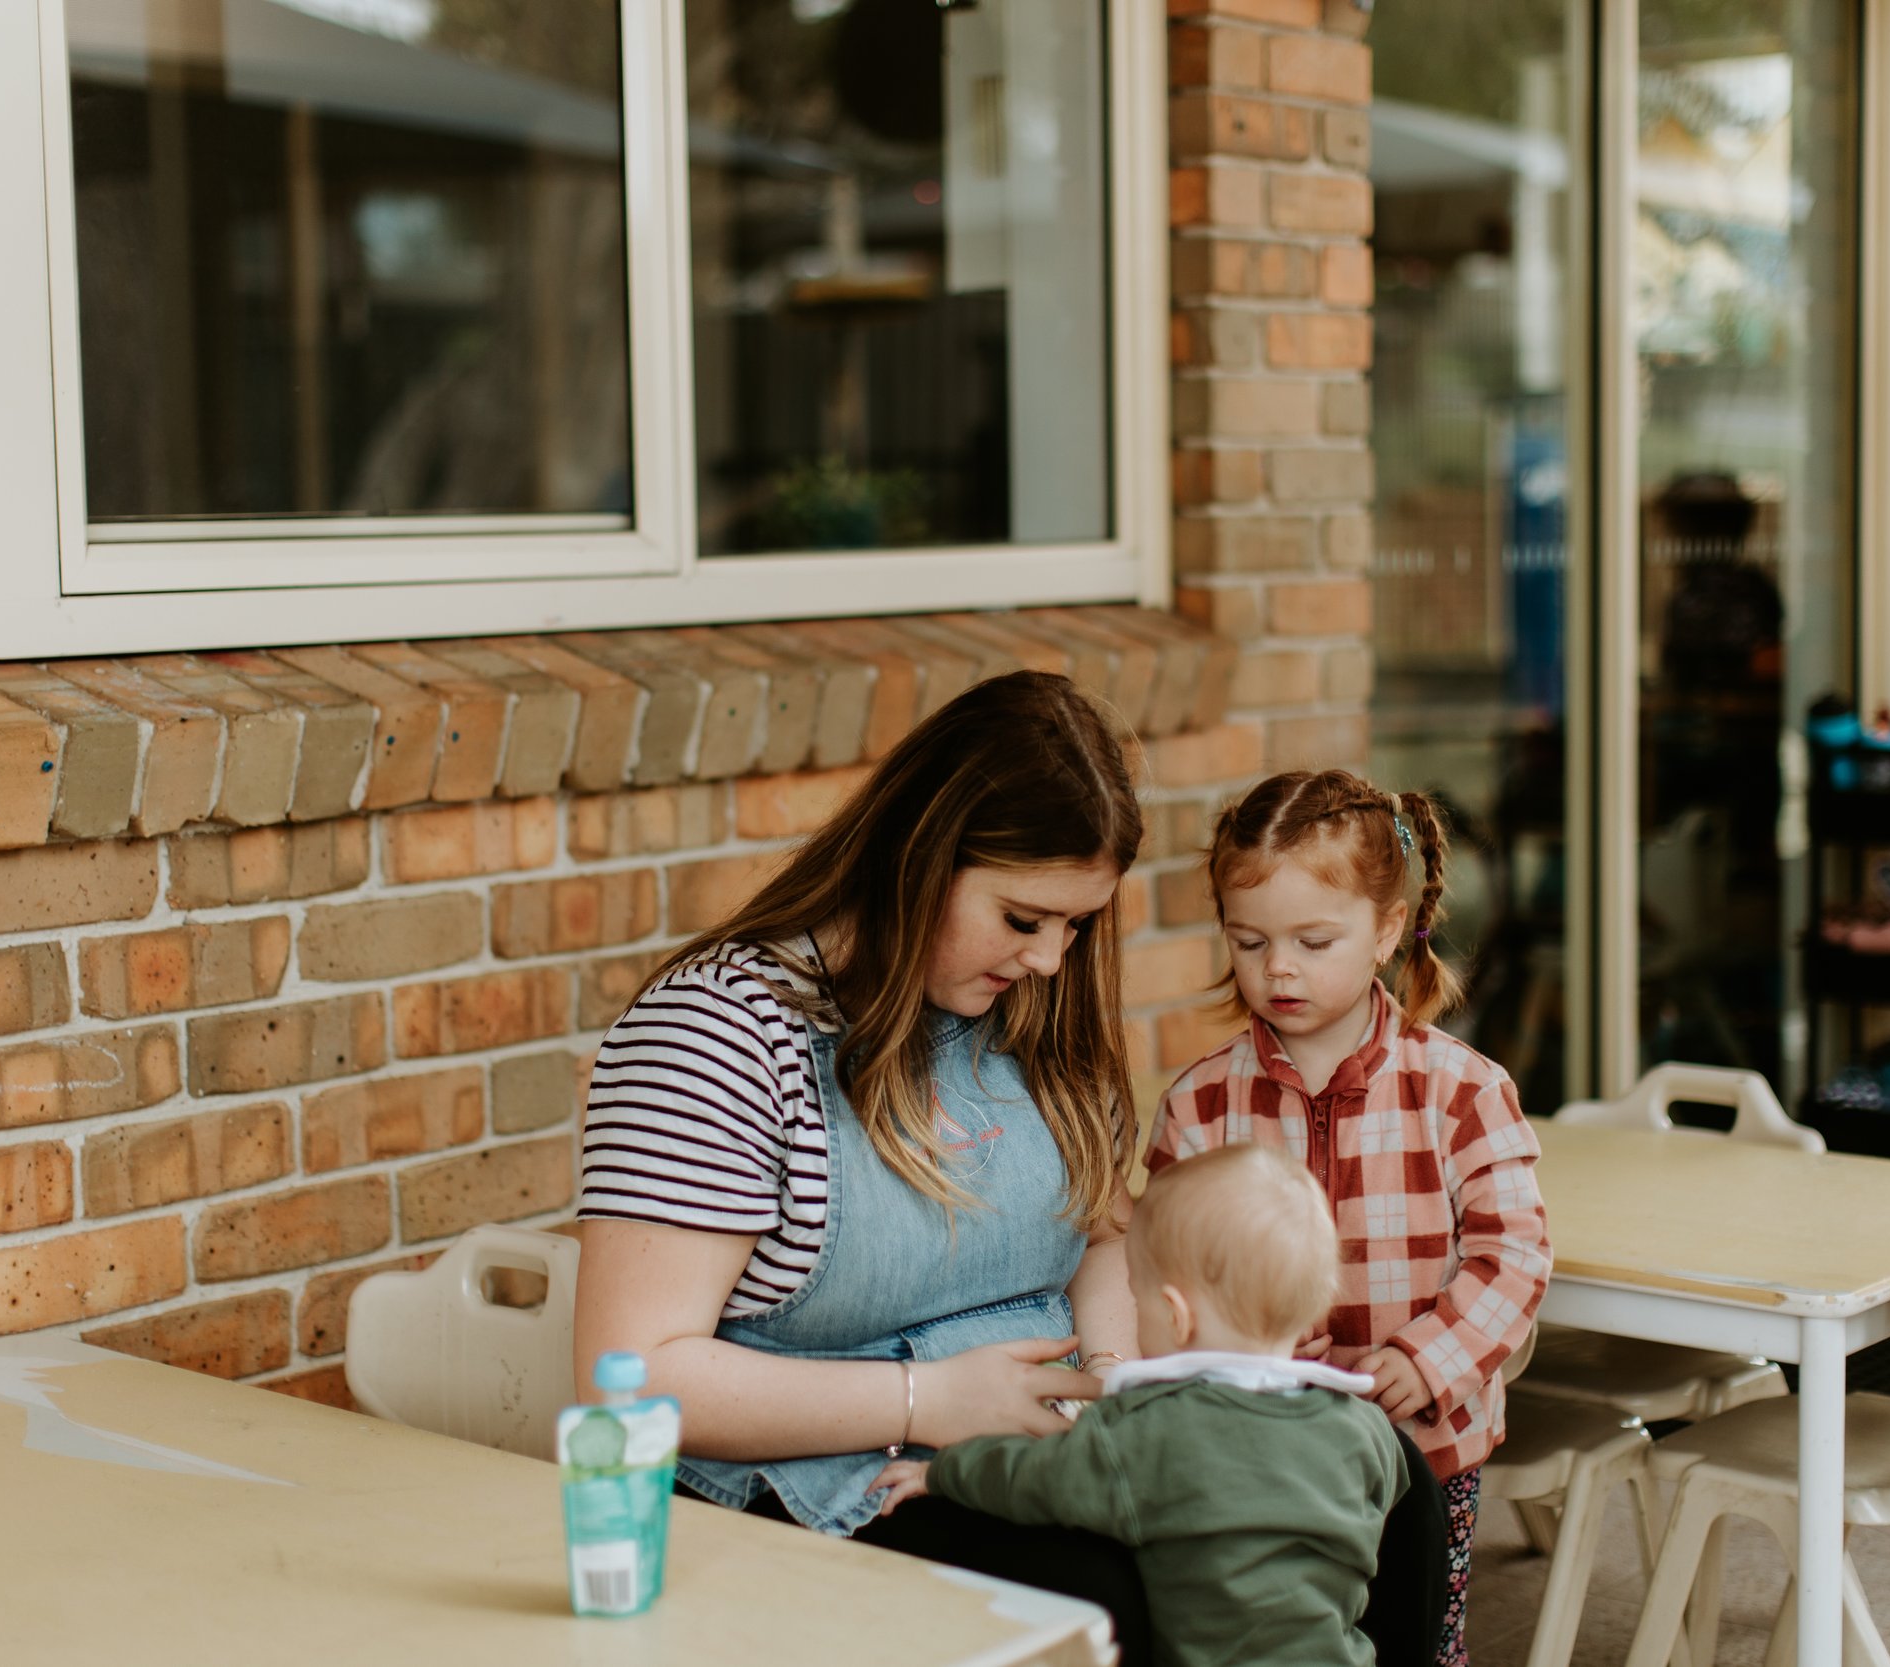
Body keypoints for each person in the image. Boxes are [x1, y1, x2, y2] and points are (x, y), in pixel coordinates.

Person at [570, 673, 1448, 1659]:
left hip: (1066, 1440)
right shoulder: (715, 1037)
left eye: (1074, 925)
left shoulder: (1017, 1012)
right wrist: (927, 1401)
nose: (1048, 957)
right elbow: (631, 1379)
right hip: (831, 1476)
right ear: (918, 856)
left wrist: (1124, 1385)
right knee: (1108, 1591)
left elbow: (1100, 1235)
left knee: (1396, 1496)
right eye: (1024, 918)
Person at [1149, 770, 1550, 1667]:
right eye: (1248, 940)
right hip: (1260, 1449)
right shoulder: (1200, 1103)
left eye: (1312, 940)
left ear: (1386, 929)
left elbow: (1514, 1254)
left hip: (1425, 1445)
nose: (1277, 967)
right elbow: (1162, 1269)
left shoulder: (1460, 1089)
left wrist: (1426, 1357)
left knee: (1413, 1638)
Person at [872, 1143, 1411, 1667]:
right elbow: (1387, 1498)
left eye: (1136, 1292)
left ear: (1175, 1315)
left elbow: (1032, 1477)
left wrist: (943, 1473)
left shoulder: (1150, 1433)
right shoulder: (1364, 1427)